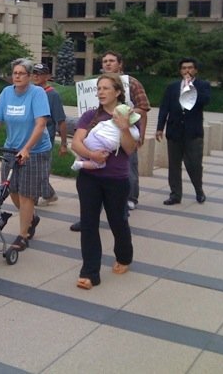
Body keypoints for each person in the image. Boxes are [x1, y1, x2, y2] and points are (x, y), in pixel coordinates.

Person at [70, 51, 150, 231]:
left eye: (111, 61)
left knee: (128, 169)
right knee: (91, 183)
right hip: (95, 140)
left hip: (121, 136)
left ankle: (128, 202)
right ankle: (89, 218)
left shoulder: (132, 83)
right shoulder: (95, 84)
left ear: (120, 64)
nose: (107, 64)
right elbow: (77, 141)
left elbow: (144, 108)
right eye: (104, 61)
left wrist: (124, 116)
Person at [0, 58, 51, 249]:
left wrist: (27, 148)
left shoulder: (37, 93)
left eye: (21, 73)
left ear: (30, 76)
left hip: (35, 150)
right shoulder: (7, 93)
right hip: (11, 149)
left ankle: (23, 235)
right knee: (11, 191)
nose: (17, 77)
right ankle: (31, 218)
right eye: (14, 73)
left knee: (27, 195)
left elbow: (40, 124)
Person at [72, 73, 137, 290]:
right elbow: (77, 144)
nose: (100, 92)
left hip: (116, 180)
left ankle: (124, 256)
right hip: (89, 178)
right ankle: (90, 272)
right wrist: (92, 156)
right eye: (98, 88)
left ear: (118, 92)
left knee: (117, 221)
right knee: (89, 223)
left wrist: (124, 126)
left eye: (106, 88)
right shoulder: (90, 116)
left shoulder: (128, 116)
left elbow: (129, 149)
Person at [156, 57, 211, 205]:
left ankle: (199, 190)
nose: (187, 70)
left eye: (190, 68)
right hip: (174, 131)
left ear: (195, 70)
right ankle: (175, 194)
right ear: (180, 71)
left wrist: (189, 88)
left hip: (193, 133)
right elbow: (164, 107)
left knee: (194, 164)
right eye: (184, 68)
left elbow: (204, 101)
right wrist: (160, 127)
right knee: (174, 165)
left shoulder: (203, 85)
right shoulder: (172, 87)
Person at [32, 63, 67, 206]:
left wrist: (64, 144)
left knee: (40, 169)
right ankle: (43, 193)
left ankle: (45, 194)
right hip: (30, 137)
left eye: (39, 74)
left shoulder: (52, 95)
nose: (36, 76)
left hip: (46, 138)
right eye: (34, 73)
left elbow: (61, 121)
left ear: (47, 76)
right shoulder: (31, 92)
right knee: (33, 168)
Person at [72, 104, 140, 170]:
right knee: (99, 164)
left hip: (118, 176)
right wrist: (92, 155)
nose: (101, 93)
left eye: (105, 91)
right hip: (89, 176)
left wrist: (125, 128)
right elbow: (75, 144)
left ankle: (80, 161)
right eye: (99, 91)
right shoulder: (90, 114)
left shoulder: (128, 118)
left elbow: (130, 150)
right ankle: (81, 163)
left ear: (117, 93)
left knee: (83, 155)